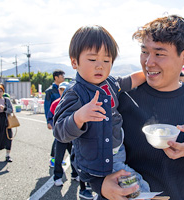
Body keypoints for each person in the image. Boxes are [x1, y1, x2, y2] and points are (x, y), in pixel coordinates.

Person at [91, 15, 184, 200]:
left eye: (159, 54)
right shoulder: (120, 99)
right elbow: (86, 149)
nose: (148, 62)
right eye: (144, 52)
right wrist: (100, 185)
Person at [53, 25, 149, 196]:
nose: (100, 66)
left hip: (117, 151)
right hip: (97, 159)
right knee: (138, 187)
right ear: (74, 62)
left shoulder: (111, 83)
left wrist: (151, 72)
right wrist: (79, 117)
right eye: (92, 60)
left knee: (117, 192)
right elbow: (60, 131)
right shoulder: (74, 94)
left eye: (106, 61)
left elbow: (132, 80)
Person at [48, 81, 94, 199]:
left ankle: (74, 174)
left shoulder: (77, 100)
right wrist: (50, 123)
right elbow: (50, 116)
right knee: (59, 157)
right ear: (59, 91)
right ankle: (57, 177)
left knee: (75, 157)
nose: (64, 92)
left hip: (74, 136)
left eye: (66, 89)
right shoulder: (56, 103)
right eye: (62, 90)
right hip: (61, 137)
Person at [44, 69, 65, 167]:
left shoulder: (65, 88)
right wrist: (48, 121)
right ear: (56, 78)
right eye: (62, 76)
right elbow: (47, 106)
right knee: (58, 139)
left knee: (60, 139)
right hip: (54, 120)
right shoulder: (50, 91)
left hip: (63, 120)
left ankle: (57, 159)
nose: (63, 78)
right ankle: (54, 159)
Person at [0, 83, 13, 162]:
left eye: (1, 91)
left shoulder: (6, 100)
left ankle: (8, 155)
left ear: (3, 92)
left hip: (6, 121)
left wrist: (5, 109)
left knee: (8, 136)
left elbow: (11, 110)